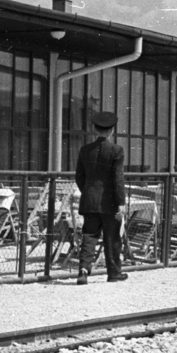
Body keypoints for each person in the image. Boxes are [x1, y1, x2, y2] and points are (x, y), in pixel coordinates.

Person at [75, 111, 128, 284]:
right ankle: (114, 273)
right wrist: (121, 202)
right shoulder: (116, 150)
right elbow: (118, 179)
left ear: (95, 129)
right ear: (112, 130)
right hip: (110, 203)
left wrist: (89, 192)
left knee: (89, 236)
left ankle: (83, 271)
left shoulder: (84, 150)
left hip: (89, 202)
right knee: (112, 238)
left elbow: (79, 177)